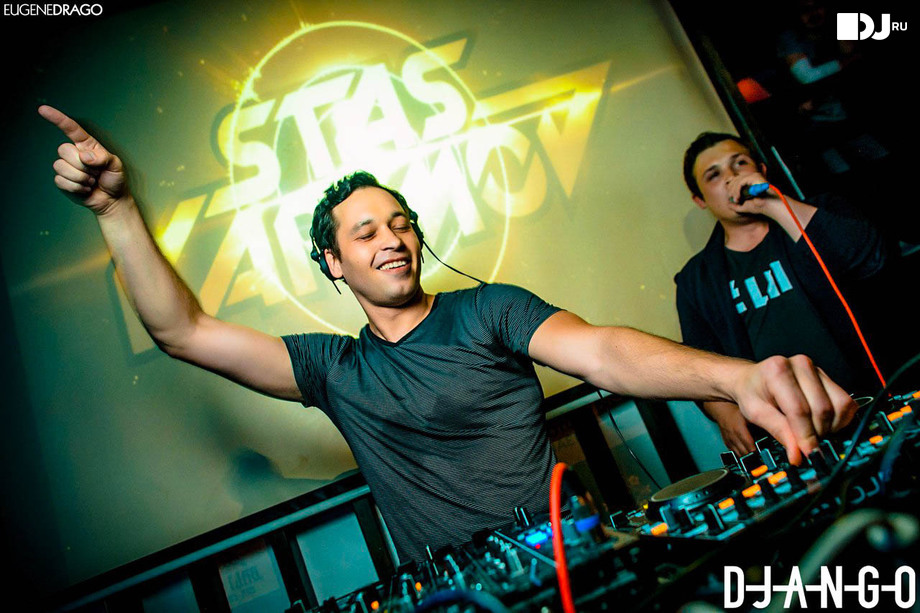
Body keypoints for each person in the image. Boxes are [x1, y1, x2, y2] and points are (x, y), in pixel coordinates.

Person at [40, 106, 857, 563]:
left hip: (574, 560)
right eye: (365, 232)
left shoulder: (489, 309)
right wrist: (116, 209)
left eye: (400, 222)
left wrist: (736, 377)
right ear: (333, 264)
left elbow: (603, 350)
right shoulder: (331, 366)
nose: (391, 238)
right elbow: (181, 330)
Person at [674, 131, 890, 457]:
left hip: (870, 398)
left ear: (761, 170)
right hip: (788, 431)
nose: (731, 177)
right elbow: (699, 359)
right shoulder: (696, 280)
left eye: (740, 163)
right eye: (713, 175)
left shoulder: (816, 212)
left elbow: (869, 258)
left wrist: (772, 203)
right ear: (700, 199)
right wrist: (722, 411)